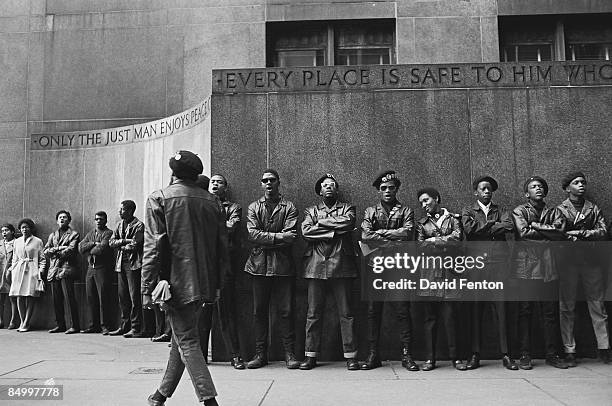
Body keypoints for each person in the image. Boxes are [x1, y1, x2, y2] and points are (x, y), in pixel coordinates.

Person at [142, 150, 227, 406]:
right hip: (204, 283)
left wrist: (147, 287)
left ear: (173, 172)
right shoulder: (213, 202)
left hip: (174, 284)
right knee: (180, 339)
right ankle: (160, 396)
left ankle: (209, 400)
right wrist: (219, 284)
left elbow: (153, 248)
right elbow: (222, 248)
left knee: (187, 340)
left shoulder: (159, 198)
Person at [299, 174, 359, 371]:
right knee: (313, 313)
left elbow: (348, 224)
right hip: (315, 266)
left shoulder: (348, 208)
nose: (329, 188)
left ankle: (350, 355)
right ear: (320, 191)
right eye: (325, 186)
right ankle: (310, 355)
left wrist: (321, 224)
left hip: (342, 265)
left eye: (332, 185)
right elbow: (306, 232)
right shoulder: (310, 210)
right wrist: (334, 231)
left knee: (346, 313)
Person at [360, 170, 418, 371]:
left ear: (397, 189)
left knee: (402, 310)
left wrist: (380, 235)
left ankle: (406, 354)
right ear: (378, 191)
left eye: (391, 188)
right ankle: (373, 354)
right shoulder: (370, 211)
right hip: (376, 267)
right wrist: (391, 239)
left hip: (398, 266)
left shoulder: (406, 211)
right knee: (373, 311)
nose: (387, 191)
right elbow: (366, 236)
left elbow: (407, 233)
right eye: (383, 188)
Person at [461, 176, 517, 370]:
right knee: (476, 308)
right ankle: (475, 354)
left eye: (490, 189)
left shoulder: (501, 210)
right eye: (483, 189)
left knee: (501, 308)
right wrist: (493, 227)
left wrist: (483, 229)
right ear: (476, 191)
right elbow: (469, 229)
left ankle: (506, 354)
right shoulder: (468, 210)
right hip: (476, 264)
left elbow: (509, 225)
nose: (487, 192)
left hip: (499, 263)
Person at [244, 169, 299, 369]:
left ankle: (289, 353)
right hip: (258, 266)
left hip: (283, 266)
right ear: (261, 184)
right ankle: (260, 354)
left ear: (278, 182)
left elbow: (291, 237)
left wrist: (265, 238)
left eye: (272, 180)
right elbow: (252, 235)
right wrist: (278, 237)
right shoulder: (253, 207)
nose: (268, 183)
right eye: (265, 180)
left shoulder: (289, 207)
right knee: (259, 311)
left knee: (286, 311)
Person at [512, 176, 568, 369]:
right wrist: (547, 234)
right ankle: (525, 354)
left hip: (548, 267)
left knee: (550, 313)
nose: (538, 189)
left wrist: (535, 226)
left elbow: (560, 232)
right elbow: (523, 234)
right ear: (527, 193)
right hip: (526, 268)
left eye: (541, 186)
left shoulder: (554, 211)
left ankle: (552, 354)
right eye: (534, 187)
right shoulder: (519, 210)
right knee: (525, 312)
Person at [556, 171, 610, 365]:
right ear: (566, 188)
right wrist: (585, 235)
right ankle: (569, 348)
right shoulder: (559, 210)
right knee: (567, 306)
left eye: (583, 182)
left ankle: (604, 347)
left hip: (590, 261)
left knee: (597, 304)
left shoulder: (593, 208)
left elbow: (603, 231)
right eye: (576, 182)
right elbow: (559, 233)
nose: (581, 185)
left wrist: (580, 232)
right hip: (568, 262)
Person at [416, 187, 466, 371]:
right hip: (429, 275)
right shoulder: (421, 223)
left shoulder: (454, 219)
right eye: (421, 202)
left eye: (426, 200)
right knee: (430, 319)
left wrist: (433, 241)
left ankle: (456, 358)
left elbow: (458, 238)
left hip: (450, 274)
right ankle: (430, 359)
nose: (424, 204)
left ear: (436, 198)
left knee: (451, 317)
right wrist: (443, 242)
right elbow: (420, 246)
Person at [199, 174, 246, 369]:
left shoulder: (233, 208)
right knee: (203, 315)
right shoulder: (201, 205)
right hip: (205, 265)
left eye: (219, 182)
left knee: (226, 312)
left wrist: (211, 226)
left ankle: (235, 356)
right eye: (213, 182)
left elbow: (232, 228)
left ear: (225, 187)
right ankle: (201, 357)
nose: (215, 184)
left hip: (224, 265)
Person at [109, 200, 145, 338]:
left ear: (130, 211)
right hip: (120, 264)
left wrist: (122, 244)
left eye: (122, 209)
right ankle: (124, 326)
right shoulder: (119, 225)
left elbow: (135, 245)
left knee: (134, 296)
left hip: (133, 265)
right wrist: (125, 241)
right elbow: (111, 242)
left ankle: (136, 328)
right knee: (123, 296)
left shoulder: (139, 225)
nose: (120, 212)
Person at [44, 210, 81, 334]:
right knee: (56, 299)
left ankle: (74, 325)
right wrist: (59, 248)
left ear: (69, 220)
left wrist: (54, 251)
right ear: (56, 220)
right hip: (54, 270)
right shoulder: (52, 235)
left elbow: (70, 250)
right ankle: (60, 325)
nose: (62, 219)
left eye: (64, 217)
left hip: (67, 269)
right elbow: (46, 251)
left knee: (69, 298)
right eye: (60, 217)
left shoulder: (74, 234)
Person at [78, 211, 114, 334]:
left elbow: (101, 249)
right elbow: (80, 247)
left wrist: (90, 249)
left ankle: (105, 326)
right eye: (97, 219)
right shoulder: (91, 233)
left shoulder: (108, 233)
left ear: (105, 220)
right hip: (90, 268)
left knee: (103, 297)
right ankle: (93, 325)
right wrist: (93, 243)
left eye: (101, 219)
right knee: (91, 297)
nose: (98, 221)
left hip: (102, 268)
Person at [9, 218, 45, 332]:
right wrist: (12, 270)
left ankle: (26, 322)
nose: (25, 229)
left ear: (31, 228)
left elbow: (42, 259)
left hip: (32, 270)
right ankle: (22, 321)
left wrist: (40, 271)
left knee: (30, 296)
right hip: (19, 270)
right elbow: (14, 258)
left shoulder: (37, 241)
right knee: (19, 295)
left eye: (27, 227)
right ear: (20, 229)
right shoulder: (17, 241)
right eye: (22, 227)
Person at [0, 223, 18, 329]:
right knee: (1, 298)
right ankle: (1, 320)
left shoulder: (17, 243)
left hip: (12, 273)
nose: (4, 233)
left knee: (13, 297)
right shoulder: (0, 243)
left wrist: (11, 269)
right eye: (2, 231)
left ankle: (13, 320)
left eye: (6, 230)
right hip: (0, 273)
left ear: (12, 231)